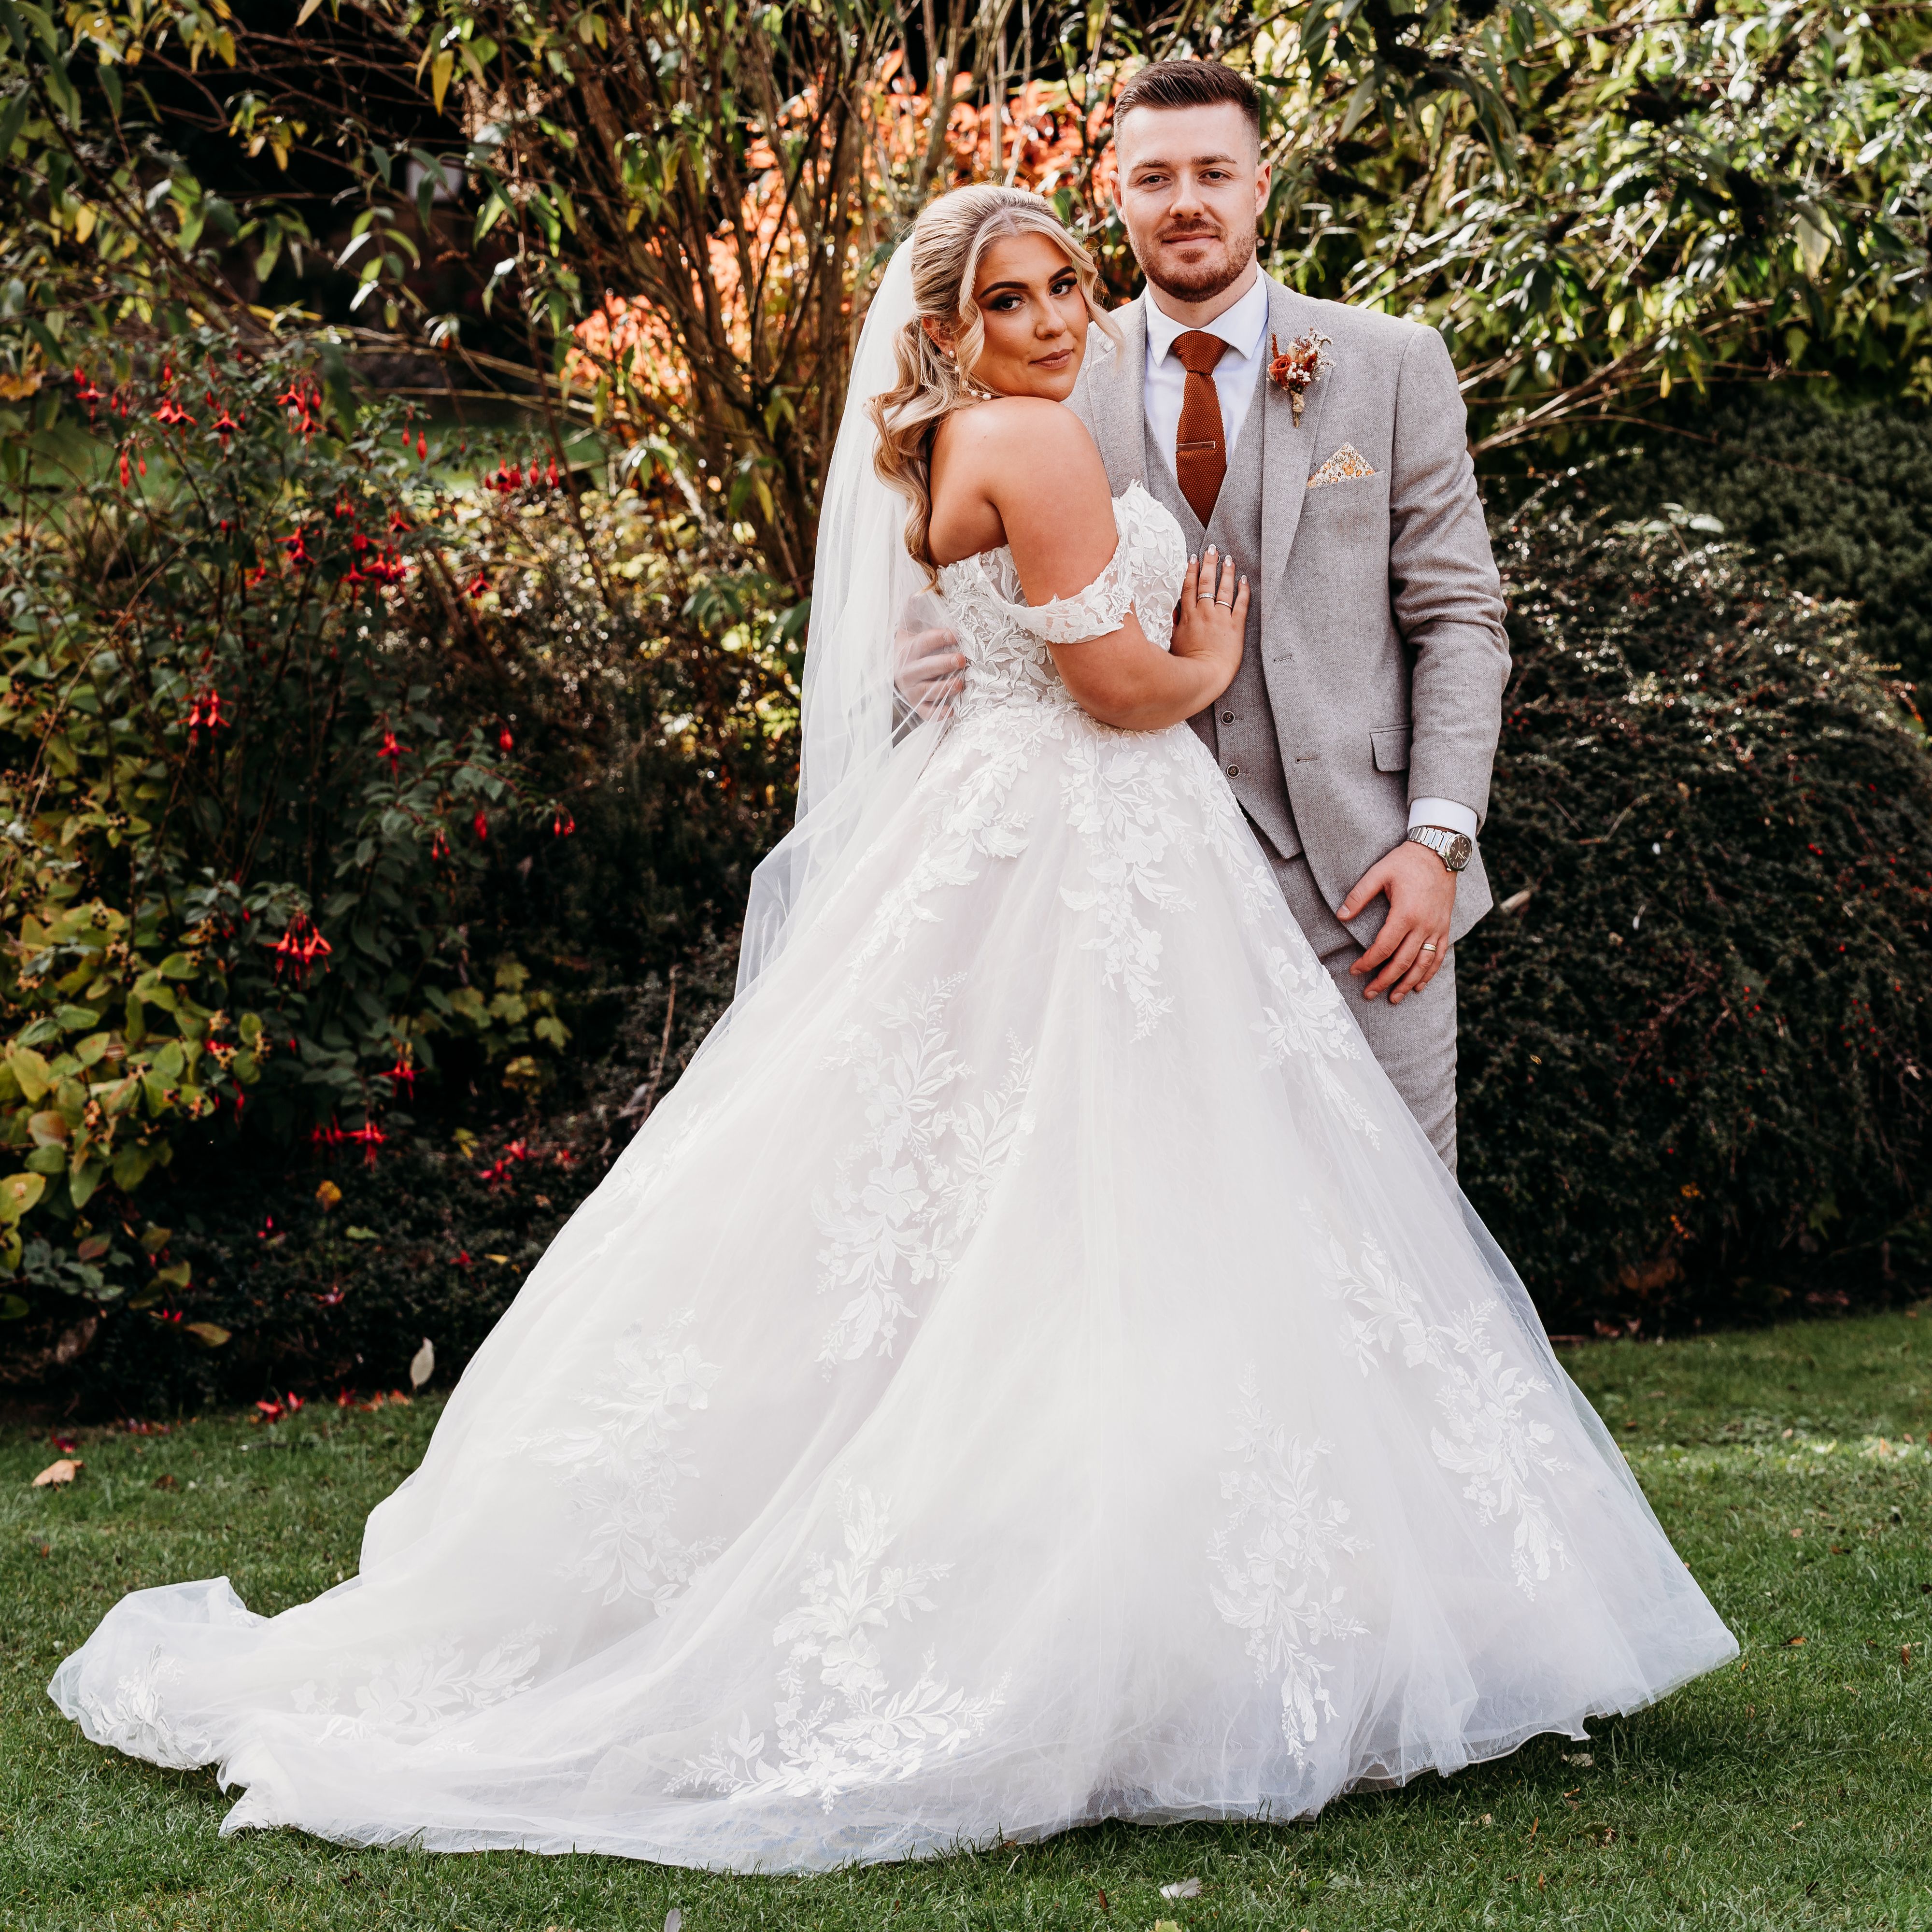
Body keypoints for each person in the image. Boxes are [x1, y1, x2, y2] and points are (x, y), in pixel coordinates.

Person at [50, 184, 1736, 1875]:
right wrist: (1208, 659)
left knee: (967, 1208)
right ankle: (1129, 1623)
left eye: (1067, 287)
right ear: (949, 327)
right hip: (1089, 835)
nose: (1058, 321)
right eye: (1014, 300)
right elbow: (1116, 691)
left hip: (1005, 827)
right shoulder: (1043, 441)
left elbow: (984, 629)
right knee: (1114, 1200)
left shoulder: (940, 441)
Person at [902, 59, 1506, 1170]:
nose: (1185, 201)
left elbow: (1459, 615)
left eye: (1213, 172)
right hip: (1132, 912)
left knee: (1400, 1215)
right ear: (1116, 195)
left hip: (1365, 895)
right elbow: (946, 588)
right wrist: (924, 659)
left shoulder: (1389, 363)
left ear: (1259, 185)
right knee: (1173, 1227)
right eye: (1154, 177)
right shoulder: (1044, 377)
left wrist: (1437, 842)